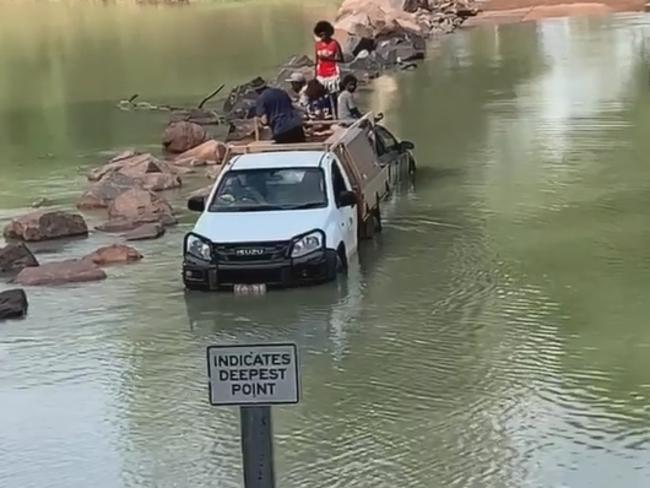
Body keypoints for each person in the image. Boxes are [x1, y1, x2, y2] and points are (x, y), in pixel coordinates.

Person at [252, 78, 306, 144]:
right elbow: (291, 106)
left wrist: (260, 122)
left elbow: (264, 120)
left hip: (281, 130)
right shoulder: (281, 92)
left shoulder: (261, 98)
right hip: (297, 125)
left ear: (255, 90)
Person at [313, 20, 343, 96]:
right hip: (321, 74)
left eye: (325, 33)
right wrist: (315, 75)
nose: (323, 36)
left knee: (333, 95)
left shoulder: (334, 43)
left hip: (333, 74)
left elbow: (341, 59)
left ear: (329, 33)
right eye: (321, 34)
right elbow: (316, 61)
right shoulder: (317, 45)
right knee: (322, 95)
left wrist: (328, 58)